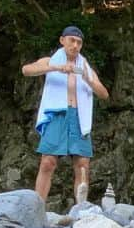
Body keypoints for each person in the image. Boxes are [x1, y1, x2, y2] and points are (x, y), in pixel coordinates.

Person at [22, 25, 109, 205]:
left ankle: (81, 210)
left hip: (78, 116)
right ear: (62, 40)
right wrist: (55, 68)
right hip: (57, 114)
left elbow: (104, 94)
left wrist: (87, 78)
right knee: (48, 162)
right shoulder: (51, 60)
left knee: (82, 164)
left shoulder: (85, 66)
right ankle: (37, 207)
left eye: (79, 42)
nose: (75, 45)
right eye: (72, 40)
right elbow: (27, 70)